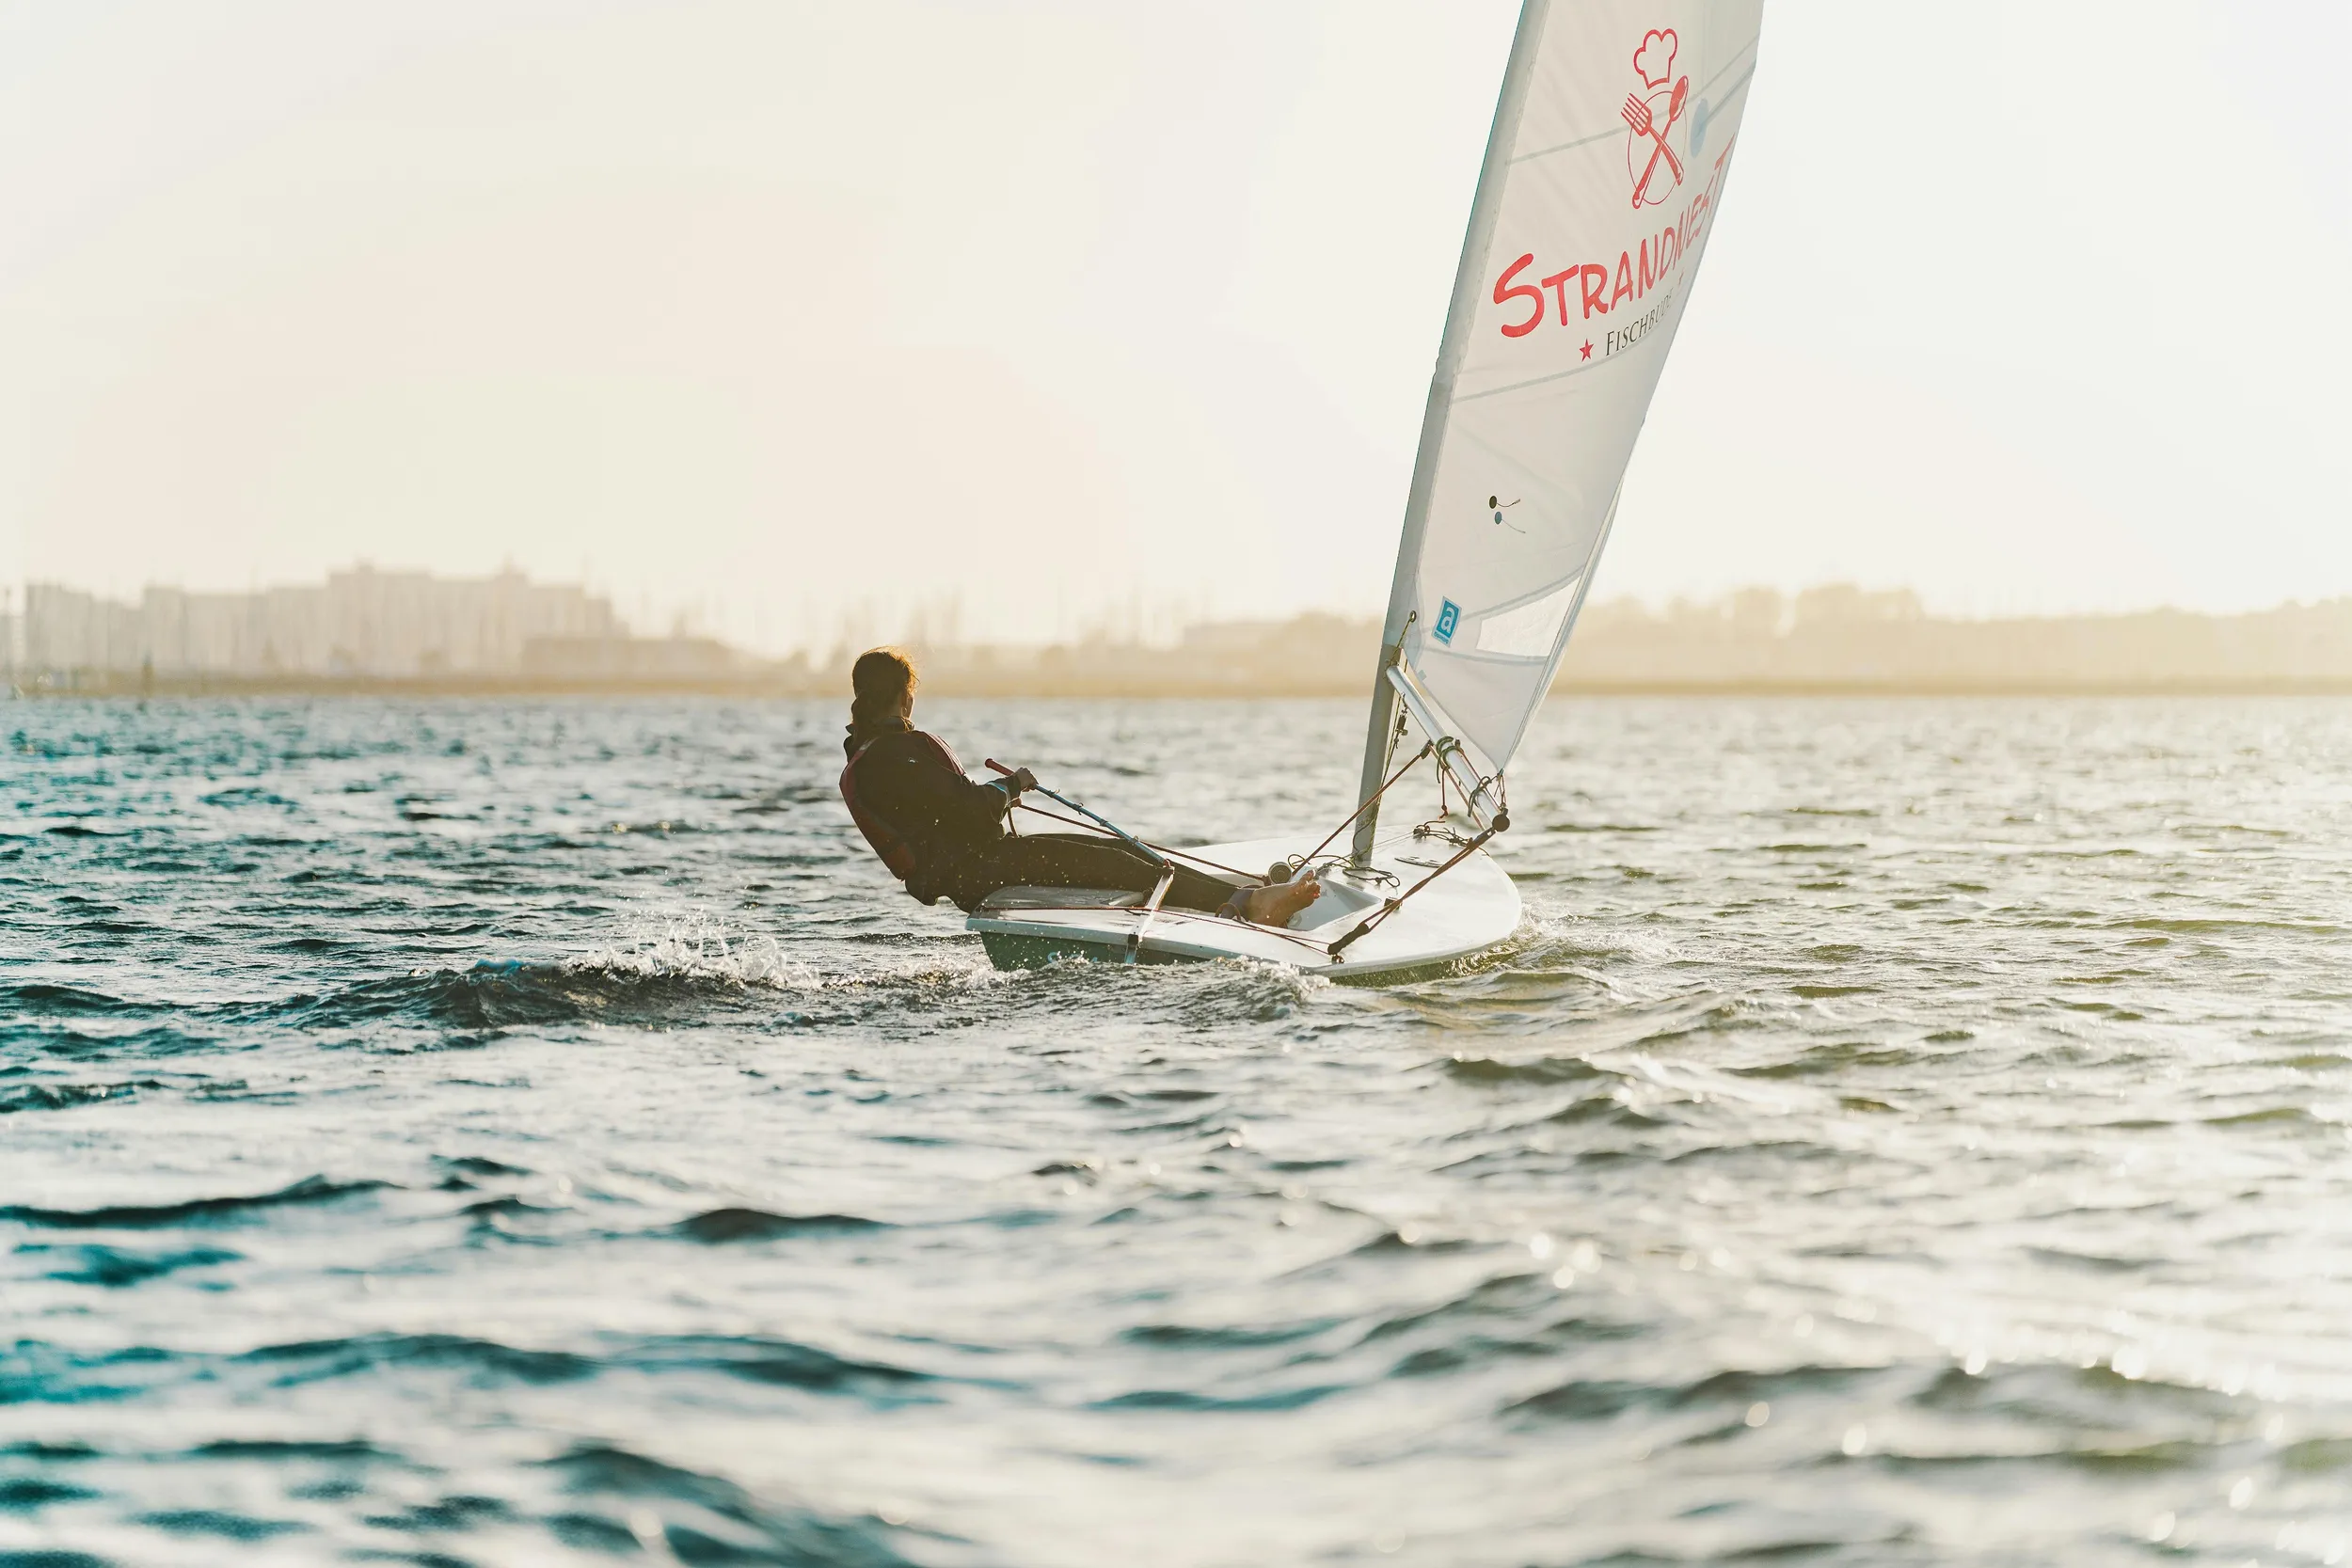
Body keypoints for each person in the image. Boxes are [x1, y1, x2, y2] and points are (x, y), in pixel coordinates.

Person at [837, 647, 1321, 925]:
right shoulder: (893, 754)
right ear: (905, 695)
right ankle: (1252, 905)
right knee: (1118, 862)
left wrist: (998, 795)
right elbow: (965, 809)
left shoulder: (873, 754)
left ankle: (1240, 897)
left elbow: (945, 811)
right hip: (982, 871)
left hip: (978, 868)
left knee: (1120, 854)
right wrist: (1011, 787)